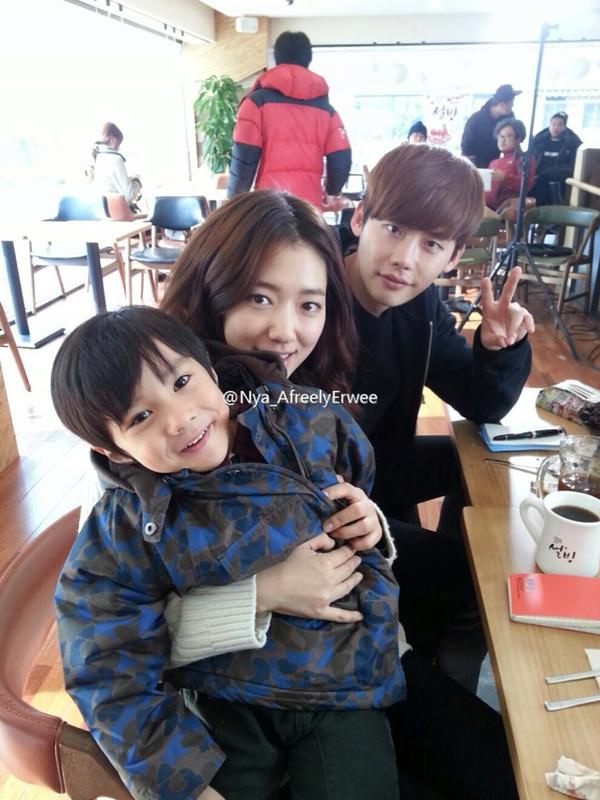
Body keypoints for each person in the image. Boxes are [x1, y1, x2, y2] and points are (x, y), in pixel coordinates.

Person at [160, 191, 519, 799]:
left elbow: (345, 504)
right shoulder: (152, 422)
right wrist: (265, 593)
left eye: (309, 304)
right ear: (208, 290)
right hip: (247, 704)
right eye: (259, 298)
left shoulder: (300, 396)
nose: (285, 331)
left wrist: (365, 518)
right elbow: (117, 633)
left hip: (357, 659)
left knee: (510, 774)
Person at [52, 306, 404, 800]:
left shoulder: (302, 419)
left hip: (343, 683)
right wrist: (185, 785)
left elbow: (354, 477)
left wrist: (365, 519)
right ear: (115, 450)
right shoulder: (124, 527)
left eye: (181, 382)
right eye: (141, 416)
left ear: (211, 371)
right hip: (221, 703)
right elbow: (107, 669)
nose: (179, 419)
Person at [226, 31, 351, 211]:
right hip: (310, 208)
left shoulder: (256, 103)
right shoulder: (328, 111)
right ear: (308, 59)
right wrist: (332, 191)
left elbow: (244, 156)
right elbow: (341, 157)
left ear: (277, 57)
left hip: (270, 207)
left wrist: (235, 200)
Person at [461, 84, 521, 167]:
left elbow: (516, 138)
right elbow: (466, 148)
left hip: (498, 164)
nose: (512, 105)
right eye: (511, 102)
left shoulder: (509, 117)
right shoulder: (476, 120)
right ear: (502, 105)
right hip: (476, 165)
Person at [531, 111, 583, 206]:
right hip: (536, 175)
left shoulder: (572, 143)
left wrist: (550, 172)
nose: (556, 127)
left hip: (557, 177)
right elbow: (530, 158)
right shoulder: (539, 140)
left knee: (542, 180)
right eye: (553, 124)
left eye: (560, 125)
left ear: (565, 127)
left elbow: (573, 167)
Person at [485, 118, 536, 211]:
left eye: (508, 136)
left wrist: (505, 178)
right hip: (484, 206)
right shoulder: (494, 162)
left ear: (518, 139)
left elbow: (527, 185)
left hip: (505, 210)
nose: (502, 140)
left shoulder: (524, 159)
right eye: (500, 136)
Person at [91, 121, 142, 211]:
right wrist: (136, 181)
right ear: (111, 138)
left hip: (104, 213)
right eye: (118, 144)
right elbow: (129, 195)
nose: (118, 148)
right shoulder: (115, 160)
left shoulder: (99, 157)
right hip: (117, 213)